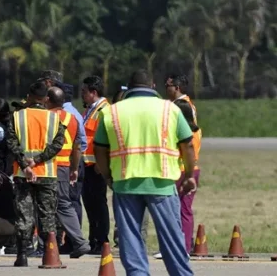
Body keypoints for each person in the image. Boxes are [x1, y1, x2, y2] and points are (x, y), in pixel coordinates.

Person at [94, 70, 196, 276]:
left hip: (125, 182)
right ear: (153, 86)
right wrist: (189, 174)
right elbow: (188, 145)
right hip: (162, 182)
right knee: (172, 238)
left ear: (129, 88)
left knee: (130, 239)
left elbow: (99, 149)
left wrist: (107, 176)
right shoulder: (170, 109)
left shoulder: (112, 112)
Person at [5, 80, 65, 267]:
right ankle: (50, 254)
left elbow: (11, 144)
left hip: (24, 175)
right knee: (47, 214)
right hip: (46, 174)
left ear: (29, 97)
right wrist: (38, 160)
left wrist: (25, 165)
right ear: (46, 98)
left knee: (24, 214)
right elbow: (57, 145)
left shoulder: (16, 117)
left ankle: (22, 255)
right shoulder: (55, 119)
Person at [45, 87, 90, 258]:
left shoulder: (47, 117)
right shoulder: (72, 118)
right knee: (64, 203)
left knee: (47, 204)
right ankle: (77, 241)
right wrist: (74, 168)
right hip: (65, 166)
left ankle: (48, 245)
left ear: (48, 100)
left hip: (48, 166)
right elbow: (78, 147)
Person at [165, 74, 202, 255]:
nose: (166, 89)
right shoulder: (182, 105)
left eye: (168, 86)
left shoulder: (184, 106)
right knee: (175, 209)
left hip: (183, 169)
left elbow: (189, 149)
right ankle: (178, 245)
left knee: (182, 209)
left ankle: (183, 247)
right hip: (179, 168)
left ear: (177, 87)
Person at [80, 75, 110, 254]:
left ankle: (101, 240)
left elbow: (106, 140)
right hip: (87, 164)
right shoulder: (90, 110)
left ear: (94, 92)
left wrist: (102, 162)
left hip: (96, 166)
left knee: (99, 204)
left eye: (84, 92)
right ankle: (94, 239)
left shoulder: (104, 110)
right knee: (90, 205)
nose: (82, 95)